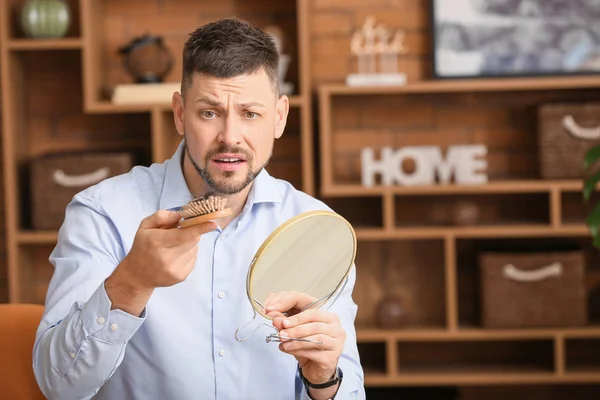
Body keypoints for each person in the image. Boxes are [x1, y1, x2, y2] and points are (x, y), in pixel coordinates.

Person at [32, 17, 365, 400]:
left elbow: (349, 391)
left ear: (279, 117)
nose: (230, 137)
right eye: (209, 112)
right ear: (179, 113)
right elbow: (57, 387)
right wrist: (131, 282)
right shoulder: (101, 213)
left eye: (250, 114)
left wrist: (324, 378)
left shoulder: (317, 229)